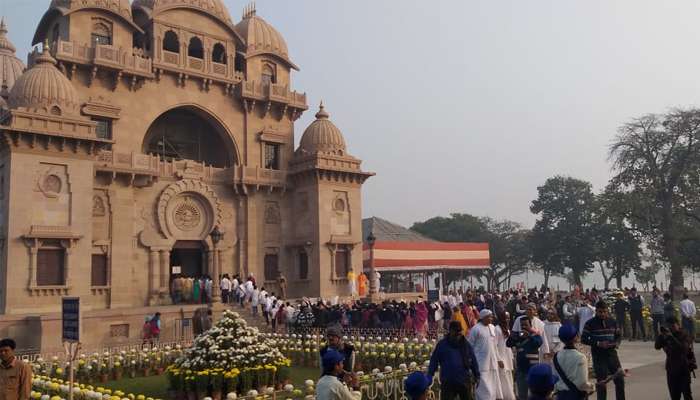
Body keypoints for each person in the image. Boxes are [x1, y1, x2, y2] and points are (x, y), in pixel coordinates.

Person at [581, 301, 624, 400]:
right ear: (596, 311)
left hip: (612, 354)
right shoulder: (590, 323)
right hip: (598, 356)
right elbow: (583, 339)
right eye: (600, 312)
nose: (603, 314)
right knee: (602, 383)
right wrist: (598, 344)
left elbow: (618, 335)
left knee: (619, 380)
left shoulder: (613, 321)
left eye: (605, 311)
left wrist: (617, 343)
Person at [428, 320, 481, 400]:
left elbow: (473, 359)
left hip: (463, 380)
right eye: (456, 331)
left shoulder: (465, 344)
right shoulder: (442, 345)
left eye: (460, 331)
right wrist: (430, 374)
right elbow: (434, 360)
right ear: (451, 331)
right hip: (448, 381)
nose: (458, 334)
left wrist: (477, 375)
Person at [655, 316, 696, 400]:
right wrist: (661, 335)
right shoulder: (666, 335)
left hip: (683, 368)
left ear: (678, 325)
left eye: (673, 326)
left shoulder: (684, 334)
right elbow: (657, 346)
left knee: (687, 395)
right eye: (669, 326)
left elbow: (683, 349)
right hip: (671, 369)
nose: (671, 328)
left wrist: (671, 338)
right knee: (674, 395)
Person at [468, 309, 503, 400]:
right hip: (481, 362)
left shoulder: (492, 327)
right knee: (482, 385)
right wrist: (470, 361)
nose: (491, 319)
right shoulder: (475, 329)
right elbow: (470, 346)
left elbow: (495, 346)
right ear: (483, 318)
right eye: (489, 317)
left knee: (493, 383)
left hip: (492, 361)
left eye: (491, 317)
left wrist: (499, 359)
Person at [552, 324, 594, 400]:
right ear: (576, 337)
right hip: (576, 395)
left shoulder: (556, 356)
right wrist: (592, 387)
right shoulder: (580, 357)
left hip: (561, 395)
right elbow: (582, 383)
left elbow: (554, 377)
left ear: (561, 339)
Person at [507, 316, 543, 399]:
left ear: (530, 325)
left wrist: (529, 336)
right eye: (522, 325)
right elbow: (508, 344)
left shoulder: (535, 335)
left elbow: (538, 343)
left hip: (533, 369)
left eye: (526, 325)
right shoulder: (518, 335)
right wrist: (513, 334)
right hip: (521, 370)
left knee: (535, 394)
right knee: (522, 394)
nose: (523, 327)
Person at [495, 313, 517, 400]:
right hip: (501, 358)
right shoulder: (497, 329)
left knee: (509, 377)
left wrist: (511, 356)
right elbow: (494, 346)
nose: (507, 319)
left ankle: (510, 395)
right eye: (506, 318)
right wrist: (498, 359)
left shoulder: (506, 329)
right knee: (503, 379)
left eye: (508, 318)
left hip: (508, 357)